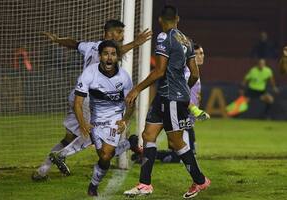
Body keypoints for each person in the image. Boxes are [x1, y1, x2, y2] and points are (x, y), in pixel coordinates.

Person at [32, 20, 151, 181]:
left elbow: (74, 44)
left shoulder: (90, 45)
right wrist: (136, 43)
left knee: (69, 138)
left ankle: (42, 171)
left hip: (78, 95)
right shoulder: (105, 50)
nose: (122, 36)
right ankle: (61, 155)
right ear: (109, 33)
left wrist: (58, 40)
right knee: (92, 135)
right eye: (119, 32)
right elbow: (119, 51)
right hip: (89, 100)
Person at [124, 5, 210, 199]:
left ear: (160, 20)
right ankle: (145, 184)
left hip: (171, 98)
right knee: (148, 135)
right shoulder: (187, 40)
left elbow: (160, 71)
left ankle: (200, 180)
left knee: (176, 142)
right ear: (177, 19)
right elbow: (195, 74)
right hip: (167, 97)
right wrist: (185, 90)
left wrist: (137, 89)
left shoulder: (164, 37)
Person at [73, 40, 134, 196]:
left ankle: (93, 185)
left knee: (106, 154)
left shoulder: (124, 77)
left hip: (115, 117)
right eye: (106, 54)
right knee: (102, 156)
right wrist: (83, 124)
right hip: (96, 119)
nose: (109, 58)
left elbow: (131, 102)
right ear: (100, 56)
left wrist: (125, 120)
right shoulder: (89, 73)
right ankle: (129, 144)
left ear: (117, 57)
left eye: (113, 54)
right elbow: (78, 103)